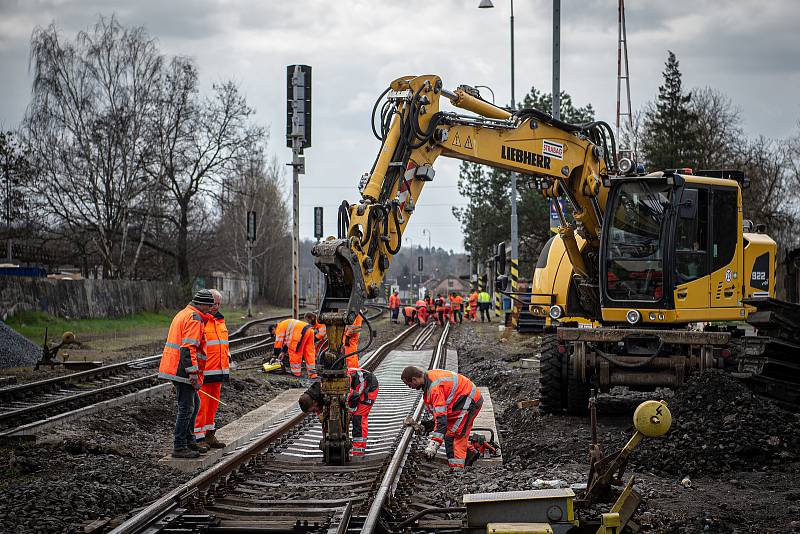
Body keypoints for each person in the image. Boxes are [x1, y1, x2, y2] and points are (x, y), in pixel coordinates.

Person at [159, 289, 214, 459]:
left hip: (175, 366)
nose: (211, 309)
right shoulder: (195, 319)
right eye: (209, 305)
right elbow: (187, 348)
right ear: (203, 304)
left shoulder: (184, 313)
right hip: (181, 369)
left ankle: (190, 441)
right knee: (186, 408)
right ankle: (179, 446)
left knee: (194, 404)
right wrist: (193, 374)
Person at [401, 366, 483, 469]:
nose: (410, 387)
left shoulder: (434, 388)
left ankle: (457, 470)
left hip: (468, 401)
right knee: (452, 432)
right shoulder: (429, 380)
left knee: (452, 437)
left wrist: (433, 445)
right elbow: (439, 413)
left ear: (414, 379)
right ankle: (470, 453)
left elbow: (442, 421)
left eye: (409, 384)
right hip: (463, 400)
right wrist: (430, 424)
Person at [299, 367, 380, 457]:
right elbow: (323, 413)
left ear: (314, 402)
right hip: (352, 388)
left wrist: (351, 412)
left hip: (369, 385)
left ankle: (358, 452)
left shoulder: (338, 388)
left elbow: (354, 396)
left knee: (358, 417)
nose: (314, 412)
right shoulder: (317, 394)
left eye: (313, 410)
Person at [193, 289, 229, 449]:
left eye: (219, 304)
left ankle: (209, 434)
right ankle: (198, 437)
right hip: (204, 371)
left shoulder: (220, 321)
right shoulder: (200, 320)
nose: (216, 306)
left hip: (218, 371)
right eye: (214, 303)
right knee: (201, 405)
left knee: (213, 404)